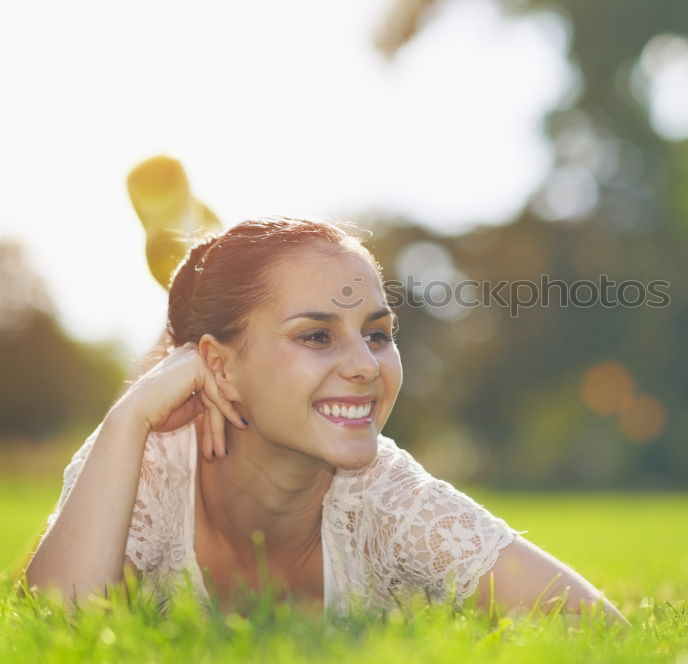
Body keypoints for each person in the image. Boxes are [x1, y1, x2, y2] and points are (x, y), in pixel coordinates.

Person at [26, 215, 627, 627]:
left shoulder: (388, 498)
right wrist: (130, 415)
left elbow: (596, 630)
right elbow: (56, 627)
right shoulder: (148, 462)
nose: (365, 366)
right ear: (218, 367)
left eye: (377, 334)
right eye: (316, 335)